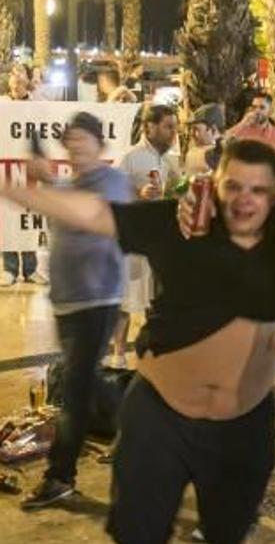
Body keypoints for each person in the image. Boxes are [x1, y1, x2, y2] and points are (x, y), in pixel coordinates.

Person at [0, 138, 275, 542]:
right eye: (233, 186)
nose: (245, 200)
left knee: (227, 534)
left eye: (258, 190)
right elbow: (93, 213)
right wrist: (0, 186)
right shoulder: (176, 223)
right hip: (161, 419)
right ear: (213, 183)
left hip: (243, 426)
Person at [0, 113, 132, 512]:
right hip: (69, 304)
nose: (75, 146)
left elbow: (80, 210)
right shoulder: (71, 184)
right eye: (69, 140)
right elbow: (63, 199)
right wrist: (46, 178)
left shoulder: (111, 183)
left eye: (82, 139)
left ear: (100, 144)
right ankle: (144, 426)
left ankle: (60, 477)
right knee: (84, 385)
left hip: (96, 303)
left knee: (74, 393)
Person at [111, 104, 181, 367]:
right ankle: (118, 355)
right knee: (126, 300)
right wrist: (136, 194)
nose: (173, 133)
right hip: (131, 239)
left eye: (175, 127)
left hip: (158, 241)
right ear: (149, 127)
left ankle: (156, 353)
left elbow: (175, 189)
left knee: (156, 299)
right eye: (168, 127)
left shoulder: (168, 159)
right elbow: (111, 192)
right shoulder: (130, 157)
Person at [0, 74, 46, 286]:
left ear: (27, 83)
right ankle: (9, 269)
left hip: (29, 172)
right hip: (6, 169)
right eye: (13, 81)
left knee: (28, 221)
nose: (16, 85)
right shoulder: (1, 102)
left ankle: (30, 269)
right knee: (7, 220)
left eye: (20, 81)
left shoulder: (37, 103)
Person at [227, 92, 275, 164]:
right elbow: (224, 140)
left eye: (262, 107)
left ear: (270, 111)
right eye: (254, 107)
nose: (257, 111)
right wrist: (242, 123)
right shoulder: (242, 128)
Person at [184, 103, 226, 175]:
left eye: (196, 129)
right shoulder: (194, 150)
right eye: (191, 129)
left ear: (213, 130)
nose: (192, 134)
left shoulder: (223, 154)